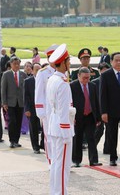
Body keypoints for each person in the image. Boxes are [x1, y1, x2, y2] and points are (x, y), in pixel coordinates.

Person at [46, 44, 75, 195]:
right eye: (68, 60)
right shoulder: (62, 83)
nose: (69, 63)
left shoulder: (52, 79)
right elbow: (63, 111)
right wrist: (66, 134)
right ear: (63, 62)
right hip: (63, 128)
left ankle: (55, 192)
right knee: (63, 166)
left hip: (54, 125)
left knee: (57, 164)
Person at [70, 67, 102, 167]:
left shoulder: (92, 86)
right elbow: (69, 102)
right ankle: (76, 160)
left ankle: (93, 160)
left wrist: (98, 118)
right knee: (77, 138)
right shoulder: (72, 86)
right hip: (78, 116)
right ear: (79, 76)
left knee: (91, 138)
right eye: (84, 78)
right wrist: (71, 117)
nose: (86, 80)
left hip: (90, 116)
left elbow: (96, 102)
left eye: (88, 78)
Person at [35, 44, 58, 165]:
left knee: (60, 137)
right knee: (49, 137)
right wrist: (41, 112)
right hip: (48, 111)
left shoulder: (63, 72)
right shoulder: (43, 73)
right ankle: (51, 161)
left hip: (60, 110)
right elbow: (39, 93)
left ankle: (59, 161)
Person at [1, 56, 27, 148]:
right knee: (12, 121)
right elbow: (3, 89)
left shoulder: (23, 75)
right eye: (14, 64)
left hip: (20, 102)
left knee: (19, 121)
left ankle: (17, 140)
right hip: (10, 102)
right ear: (11, 64)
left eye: (18, 64)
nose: (16, 65)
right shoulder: (6, 74)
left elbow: (25, 90)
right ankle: (12, 140)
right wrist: (4, 103)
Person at [92, 62, 111, 154]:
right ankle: (92, 147)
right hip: (98, 110)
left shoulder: (112, 81)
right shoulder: (94, 83)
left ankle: (107, 149)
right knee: (99, 130)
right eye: (103, 71)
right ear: (99, 72)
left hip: (109, 110)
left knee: (109, 131)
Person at [24, 65, 41, 154]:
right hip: (32, 108)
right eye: (36, 70)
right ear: (32, 71)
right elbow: (26, 96)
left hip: (43, 109)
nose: (38, 72)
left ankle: (43, 144)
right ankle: (35, 146)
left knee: (43, 128)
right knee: (33, 128)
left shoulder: (45, 80)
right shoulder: (28, 81)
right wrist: (27, 109)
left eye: (40, 70)